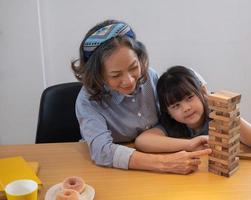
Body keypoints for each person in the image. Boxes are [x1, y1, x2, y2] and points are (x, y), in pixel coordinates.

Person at [71, 20, 211, 175]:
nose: (130, 80)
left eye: (133, 67)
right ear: (98, 75)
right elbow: (102, 152)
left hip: (160, 150)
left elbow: (182, 79)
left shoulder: (150, 76)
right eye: (116, 75)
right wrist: (164, 163)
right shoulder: (87, 101)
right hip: (117, 168)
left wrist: (202, 85)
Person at [135, 66, 251, 153]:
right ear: (168, 112)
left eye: (190, 98)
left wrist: (229, 113)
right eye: (176, 106)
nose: (186, 108)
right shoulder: (171, 125)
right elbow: (142, 141)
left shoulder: (217, 114)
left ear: (202, 93)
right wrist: (188, 145)